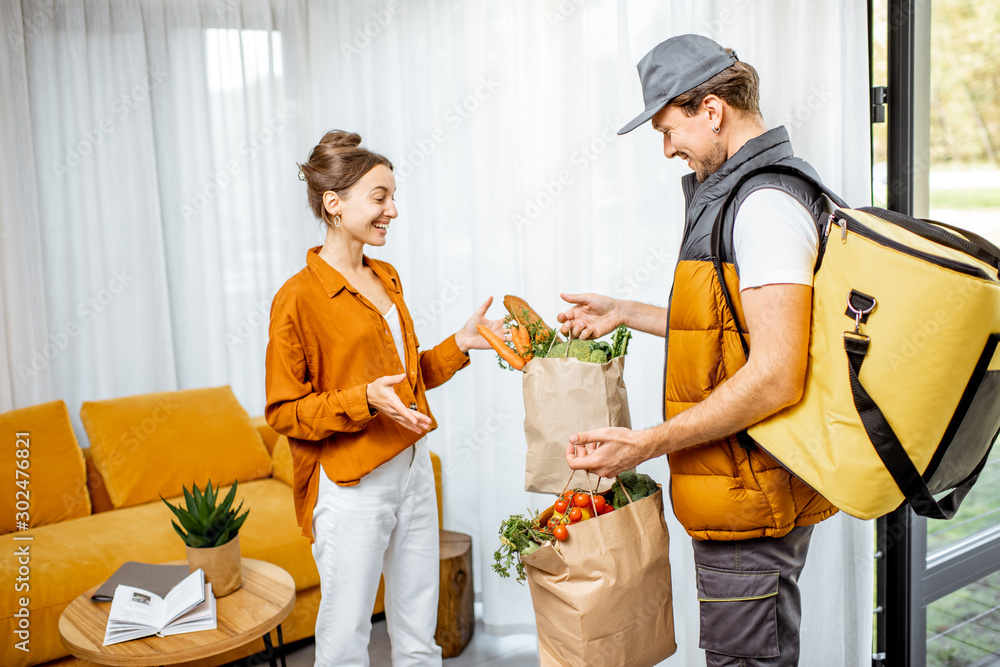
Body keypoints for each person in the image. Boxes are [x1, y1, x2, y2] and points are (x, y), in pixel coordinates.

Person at [558, 35, 840, 666]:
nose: (667, 149)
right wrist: (625, 312)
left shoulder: (762, 204)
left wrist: (647, 443)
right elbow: (734, 334)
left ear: (712, 110)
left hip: (748, 490)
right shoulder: (741, 194)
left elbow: (773, 375)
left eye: (669, 128)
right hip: (736, 486)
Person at [264, 130, 503, 667]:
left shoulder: (385, 276)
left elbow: (404, 379)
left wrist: (460, 344)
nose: (392, 209)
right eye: (380, 197)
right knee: (347, 637)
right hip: (353, 485)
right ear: (334, 203)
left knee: (420, 634)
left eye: (393, 196)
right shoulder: (297, 298)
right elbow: (283, 411)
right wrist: (363, 400)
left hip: (414, 471)